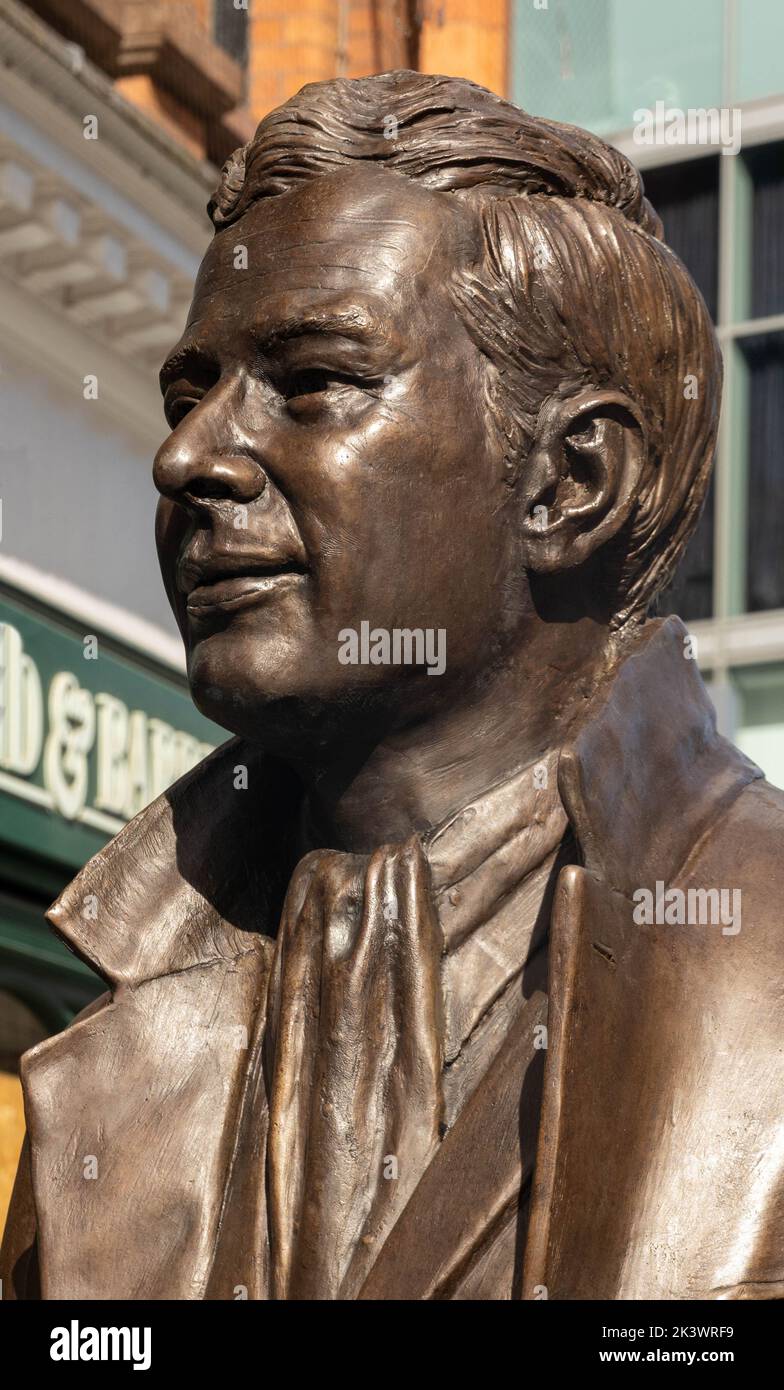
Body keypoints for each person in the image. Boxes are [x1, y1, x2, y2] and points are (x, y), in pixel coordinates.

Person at [3, 71, 782, 1301]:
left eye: (312, 382)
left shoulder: (762, 955)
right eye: (187, 392)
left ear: (568, 483)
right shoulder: (124, 1008)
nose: (188, 455)